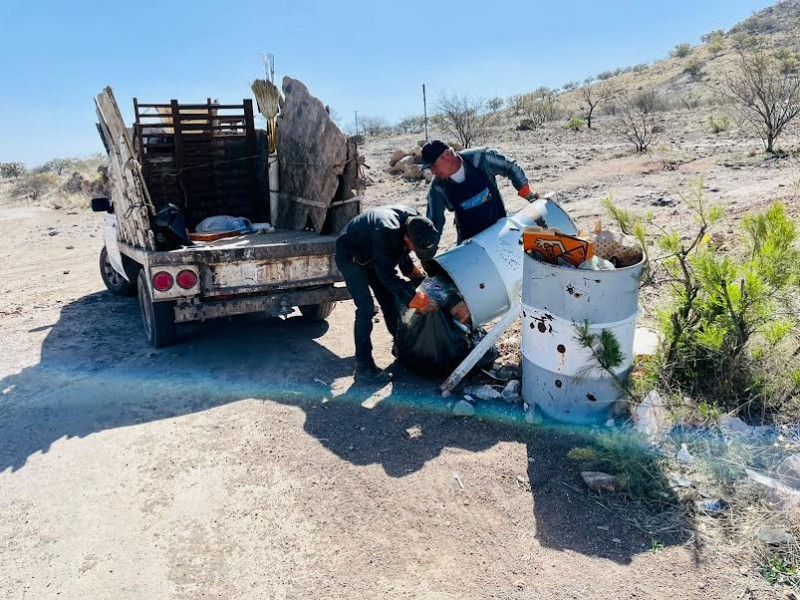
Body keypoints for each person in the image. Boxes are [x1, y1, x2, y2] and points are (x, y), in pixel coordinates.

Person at [336, 205, 439, 381]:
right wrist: (415, 298)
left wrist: (422, 281)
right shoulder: (385, 231)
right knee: (366, 309)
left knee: (389, 300)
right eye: (415, 248)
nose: (416, 251)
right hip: (350, 255)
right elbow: (387, 276)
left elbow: (403, 258)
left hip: (374, 252)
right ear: (407, 237)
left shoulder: (415, 223)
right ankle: (364, 368)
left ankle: (401, 348)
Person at [421, 140, 539, 245]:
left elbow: (510, 167)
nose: (432, 171)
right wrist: (426, 251)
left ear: (447, 155)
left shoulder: (481, 158)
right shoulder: (437, 187)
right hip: (471, 244)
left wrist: (528, 194)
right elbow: (434, 224)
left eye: (434, 166)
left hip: (500, 231)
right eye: (429, 168)